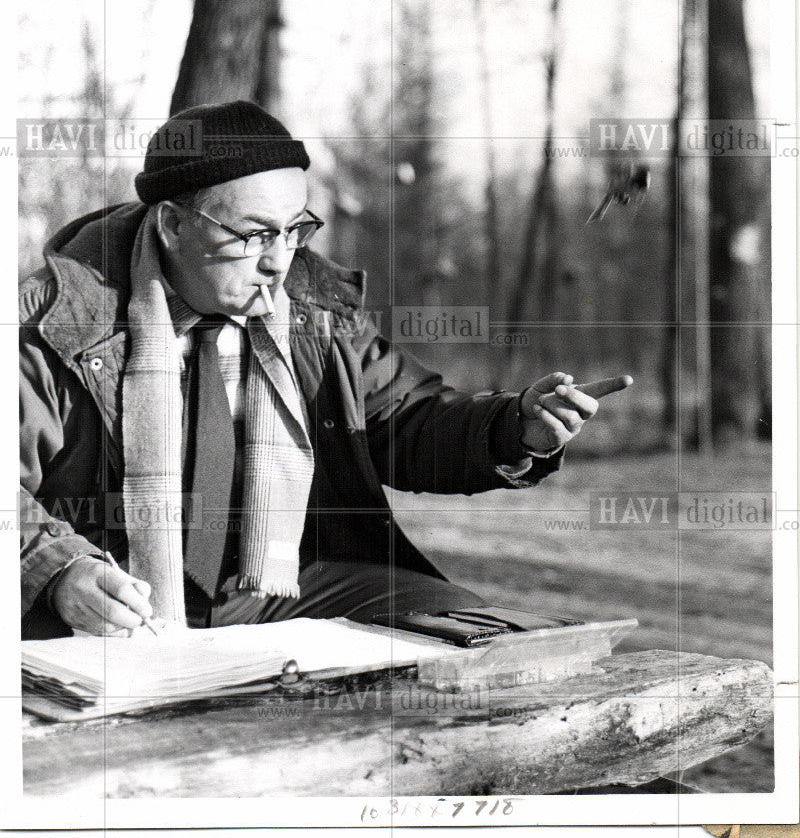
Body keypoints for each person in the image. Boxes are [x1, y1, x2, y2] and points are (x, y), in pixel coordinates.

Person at [20, 100, 631, 639]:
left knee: (460, 631)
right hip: (116, 599)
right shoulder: (56, 322)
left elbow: (403, 419)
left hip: (275, 584)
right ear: (173, 225)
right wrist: (59, 570)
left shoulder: (313, 308)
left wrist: (514, 427)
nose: (279, 261)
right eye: (255, 235)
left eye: (295, 230)